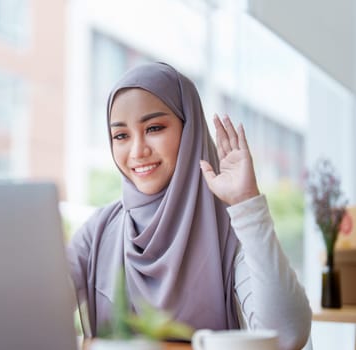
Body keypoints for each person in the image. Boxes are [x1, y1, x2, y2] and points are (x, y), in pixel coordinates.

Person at [67, 62, 311, 350]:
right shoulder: (99, 230)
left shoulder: (230, 228)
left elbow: (287, 335)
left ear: (189, 130)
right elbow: (37, 307)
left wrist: (247, 204)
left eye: (154, 128)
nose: (137, 151)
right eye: (121, 135)